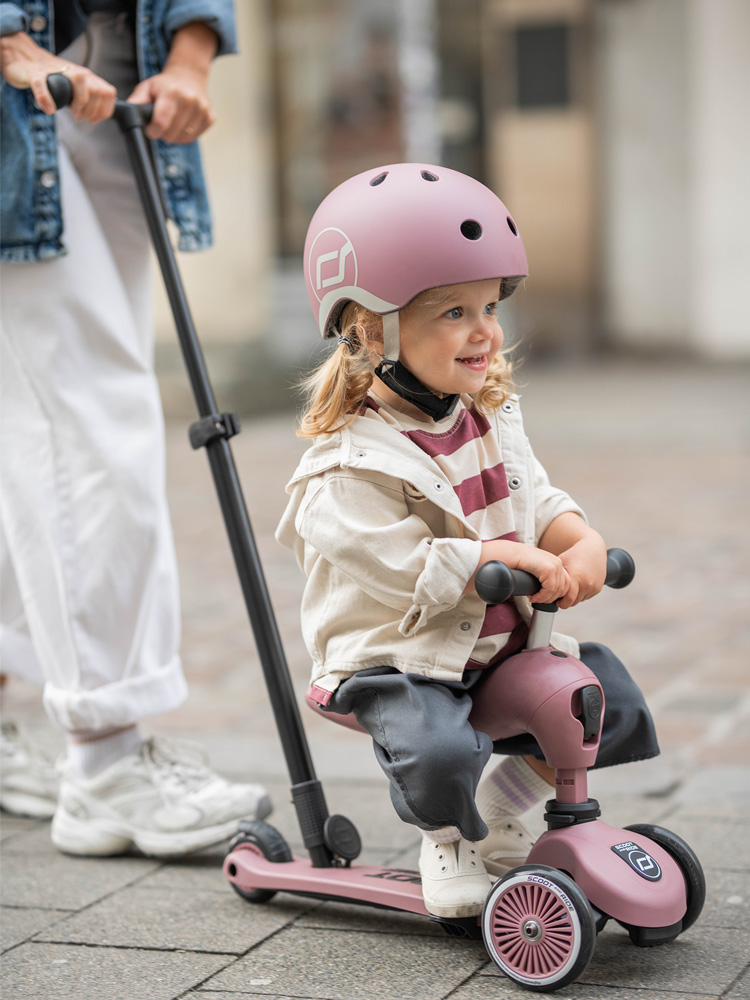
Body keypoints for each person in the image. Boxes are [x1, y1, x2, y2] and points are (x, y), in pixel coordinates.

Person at [276, 163, 659, 919]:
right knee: (441, 749)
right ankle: (449, 836)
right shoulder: (345, 463)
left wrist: (574, 538)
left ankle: (507, 810)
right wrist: (492, 559)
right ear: (369, 328)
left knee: (601, 703)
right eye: (453, 311)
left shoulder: (487, 416)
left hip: (492, 645)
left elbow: (534, 496)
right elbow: (395, 565)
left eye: (489, 305)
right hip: (397, 657)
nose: (485, 330)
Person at [0, 0, 271, 856]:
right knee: (85, 419)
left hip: (114, 81)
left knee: (43, 421)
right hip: (24, 83)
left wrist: (188, 59)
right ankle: (106, 763)